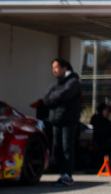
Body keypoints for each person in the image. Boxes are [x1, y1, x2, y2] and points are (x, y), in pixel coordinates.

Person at [31, 57, 81, 186]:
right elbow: (46, 99)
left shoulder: (73, 82)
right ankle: (62, 172)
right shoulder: (55, 84)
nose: (54, 70)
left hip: (68, 120)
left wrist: (54, 97)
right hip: (56, 120)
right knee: (57, 148)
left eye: (56, 67)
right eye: (52, 68)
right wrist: (53, 98)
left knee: (66, 148)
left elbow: (64, 94)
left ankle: (67, 175)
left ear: (64, 68)